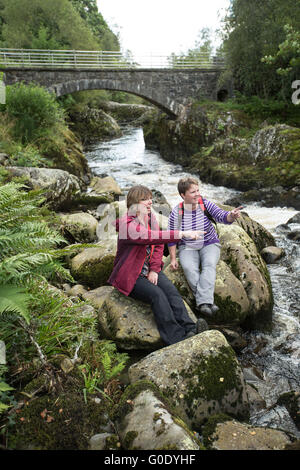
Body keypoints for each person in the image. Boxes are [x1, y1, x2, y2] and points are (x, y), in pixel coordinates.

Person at [108, 184, 208, 346]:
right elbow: (149, 237)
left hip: (148, 270)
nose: (149, 202)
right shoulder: (127, 225)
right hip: (131, 276)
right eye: (144, 200)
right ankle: (177, 337)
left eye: (149, 199)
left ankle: (191, 328)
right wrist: (182, 234)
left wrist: (154, 269)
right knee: (157, 296)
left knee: (171, 292)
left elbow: (159, 245)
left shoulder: (150, 218)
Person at [168, 177, 242, 316]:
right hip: (187, 246)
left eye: (198, 190)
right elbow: (172, 236)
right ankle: (207, 302)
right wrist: (172, 259)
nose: (197, 194)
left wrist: (232, 215)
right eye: (192, 192)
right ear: (183, 195)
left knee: (209, 264)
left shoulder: (205, 204)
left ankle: (202, 303)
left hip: (209, 243)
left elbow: (223, 217)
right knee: (190, 268)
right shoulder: (176, 212)